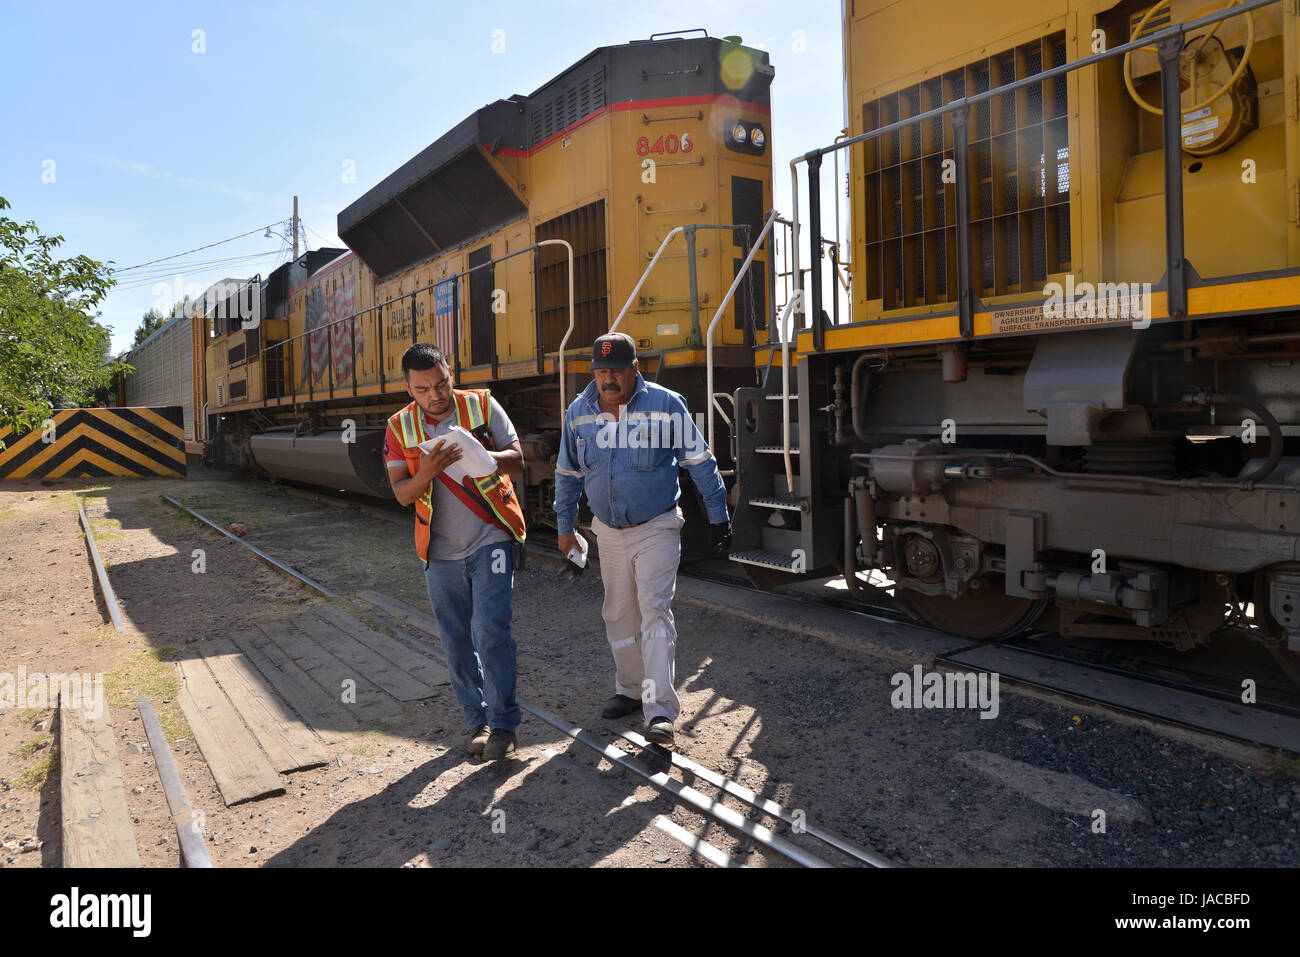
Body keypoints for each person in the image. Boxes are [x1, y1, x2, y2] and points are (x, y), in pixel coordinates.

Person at [554, 332, 731, 747]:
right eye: (601, 372)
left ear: (637, 370)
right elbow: (567, 475)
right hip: (608, 532)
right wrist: (565, 528)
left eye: (616, 371)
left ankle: (660, 711)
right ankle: (629, 690)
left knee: (654, 612)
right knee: (618, 614)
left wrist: (719, 516)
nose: (608, 380)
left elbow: (700, 461)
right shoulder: (579, 412)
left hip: (657, 527)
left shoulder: (667, 405)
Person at [384, 343, 527, 760]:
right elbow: (402, 494)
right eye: (423, 389)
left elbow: (519, 461)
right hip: (439, 553)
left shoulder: (482, 405)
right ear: (409, 389)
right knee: (455, 640)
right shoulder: (399, 429)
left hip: (492, 538)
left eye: (441, 383)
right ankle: (476, 720)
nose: (435, 395)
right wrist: (427, 470)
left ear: (451, 372)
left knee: (491, 632)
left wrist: (483, 458)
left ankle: (503, 725)